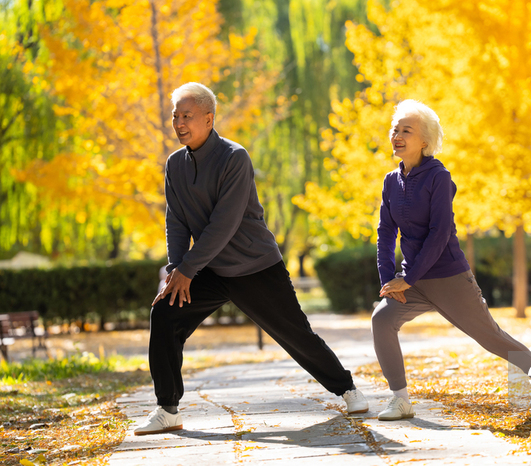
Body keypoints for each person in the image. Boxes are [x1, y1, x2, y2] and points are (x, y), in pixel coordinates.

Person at [134, 82, 368, 435]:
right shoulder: (175, 165)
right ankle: (167, 408)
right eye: (175, 116)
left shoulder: (234, 157)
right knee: (165, 313)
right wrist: (175, 270)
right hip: (208, 269)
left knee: (295, 334)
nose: (179, 123)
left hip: (255, 266)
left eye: (187, 116)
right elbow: (177, 221)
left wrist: (187, 269)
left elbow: (223, 224)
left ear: (209, 119)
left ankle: (347, 388)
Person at [371, 100, 531, 421]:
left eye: (406, 130)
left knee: (490, 337)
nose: (397, 135)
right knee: (382, 320)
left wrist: (408, 278)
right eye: (395, 129)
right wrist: (390, 280)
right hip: (410, 280)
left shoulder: (439, 177)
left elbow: (440, 233)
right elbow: (386, 232)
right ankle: (400, 399)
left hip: (448, 277)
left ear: (424, 140)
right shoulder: (391, 181)